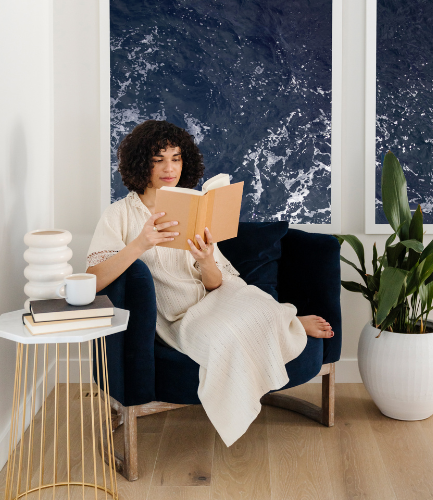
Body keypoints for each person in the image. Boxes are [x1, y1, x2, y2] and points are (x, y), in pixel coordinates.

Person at [86, 119, 334, 447]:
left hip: (216, 295)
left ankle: (285, 320)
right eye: (158, 159)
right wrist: (140, 244)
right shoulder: (118, 215)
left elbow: (216, 283)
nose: (168, 167)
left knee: (257, 302)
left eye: (175, 158)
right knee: (224, 337)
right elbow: (93, 280)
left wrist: (205, 260)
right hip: (179, 317)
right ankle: (287, 323)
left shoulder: (191, 204)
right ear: (140, 163)